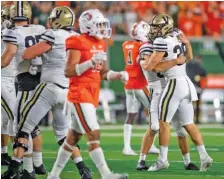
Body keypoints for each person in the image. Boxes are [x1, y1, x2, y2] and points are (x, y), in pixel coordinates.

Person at [2, 6, 92, 179]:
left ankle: (15, 170)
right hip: (67, 91)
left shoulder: (51, 34)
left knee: (22, 127)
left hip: (46, 86)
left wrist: (38, 57)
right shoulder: (74, 37)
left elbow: (28, 54)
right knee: (63, 134)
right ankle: (83, 168)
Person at [48, 9, 128, 179]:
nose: (102, 28)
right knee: (93, 132)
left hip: (92, 94)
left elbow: (102, 72)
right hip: (79, 93)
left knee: (72, 138)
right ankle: (106, 174)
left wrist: (118, 75)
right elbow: (69, 71)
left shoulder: (101, 43)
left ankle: (53, 175)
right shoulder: (76, 41)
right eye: (99, 25)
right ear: (88, 25)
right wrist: (89, 62)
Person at [141, 14, 213, 172]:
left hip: (173, 84)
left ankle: (162, 160)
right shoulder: (177, 34)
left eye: (155, 27)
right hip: (186, 82)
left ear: (164, 27)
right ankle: (204, 156)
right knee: (189, 124)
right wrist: (186, 43)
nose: (153, 30)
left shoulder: (161, 41)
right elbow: (189, 57)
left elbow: (154, 67)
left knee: (163, 122)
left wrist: (169, 61)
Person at [1, 1, 46, 178]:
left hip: (17, 79)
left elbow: (6, 58)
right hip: (33, 79)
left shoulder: (11, 32)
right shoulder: (39, 29)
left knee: (19, 124)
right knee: (23, 123)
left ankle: (27, 167)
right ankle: (33, 165)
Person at [122, 21, 159, 156]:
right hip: (140, 83)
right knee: (155, 111)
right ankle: (151, 145)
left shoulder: (126, 44)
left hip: (128, 84)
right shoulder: (143, 46)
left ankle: (126, 147)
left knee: (130, 115)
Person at [1, 4, 17, 166]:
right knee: (14, 116)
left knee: (6, 119)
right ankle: (17, 156)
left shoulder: (15, 31)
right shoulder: (7, 31)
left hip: (14, 77)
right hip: (2, 77)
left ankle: (4, 153)